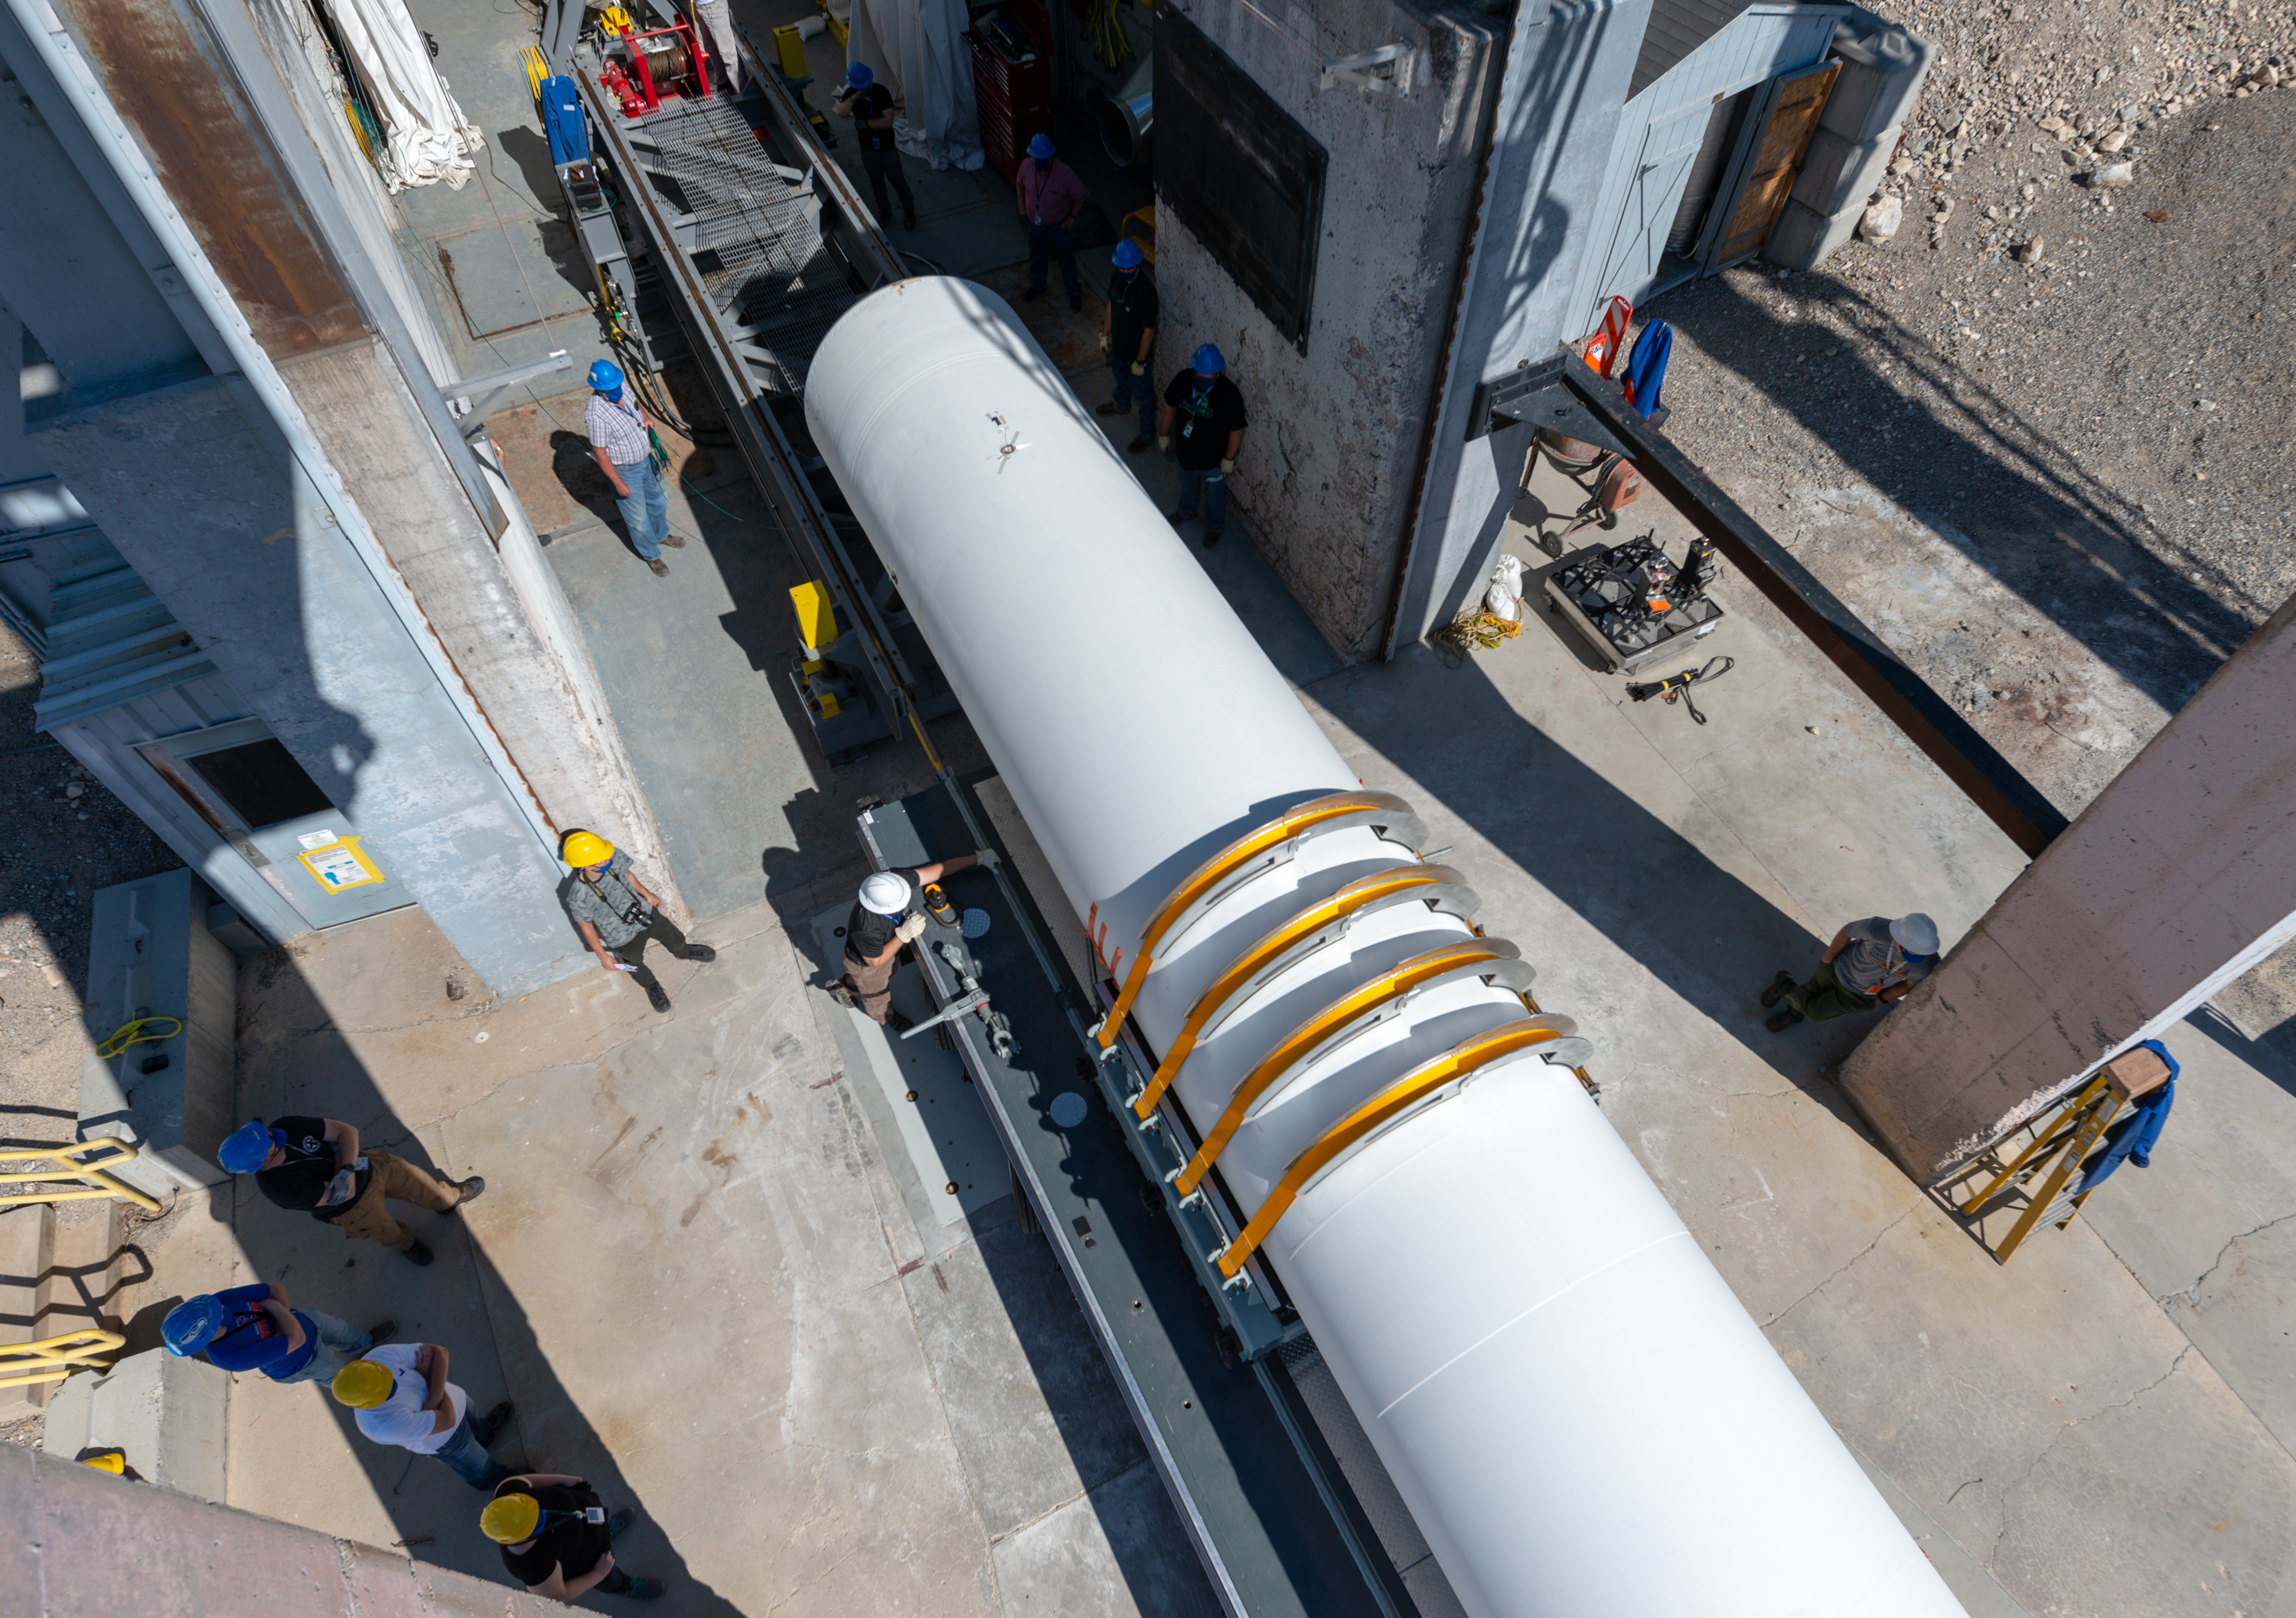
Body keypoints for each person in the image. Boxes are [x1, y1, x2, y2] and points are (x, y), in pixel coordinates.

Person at [217, 1115, 482, 1268]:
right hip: (353, 1210)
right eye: (269, 1142)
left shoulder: (285, 1126)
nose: (274, 1135)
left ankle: (448, 1199)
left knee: (420, 1183)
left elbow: (346, 1131)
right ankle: (409, 1245)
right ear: (261, 1161)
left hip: (372, 1165)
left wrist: (345, 1167)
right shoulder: (278, 1188)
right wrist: (341, 1153)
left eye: (267, 1133)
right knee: (386, 1231)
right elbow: (341, 1194)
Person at [834, 850, 998, 1029]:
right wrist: (903, 936)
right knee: (877, 996)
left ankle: (843, 987)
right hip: (866, 966)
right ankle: (886, 1018)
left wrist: (978, 858)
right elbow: (876, 962)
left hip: (879, 953)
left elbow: (937, 870)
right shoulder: (867, 928)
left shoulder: (891, 884)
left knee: (882, 974)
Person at [559, 829, 713, 1016]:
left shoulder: (612, 855)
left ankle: (683, 951)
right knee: (633, 964)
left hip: (644, 913)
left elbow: (627, 874)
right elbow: (587, 928)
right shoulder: (579, 896)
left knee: (673, 935)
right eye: (603, 859)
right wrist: (603, 956)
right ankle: (651, 985)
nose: (609, 858)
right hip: (620, 935)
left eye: (607, 854)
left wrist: (646, 893)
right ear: (587, 866)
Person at [333, 1342, 517, 1490]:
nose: (393, 1385)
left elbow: (440, 1352)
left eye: (386, 1378)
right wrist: (430, 1379)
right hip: (446, 1439)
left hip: (456, 1399)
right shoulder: (382, 1426)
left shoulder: (377, 1357)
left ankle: (485, 1436)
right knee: (477, 1465)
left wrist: (432, 1401)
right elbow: (447, 1421)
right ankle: (499, 1481)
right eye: (385, 1393)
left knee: (476, 1423)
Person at [162, 1284, 393, 1388]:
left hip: (309, 1321)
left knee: (344, 1332)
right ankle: (367, 1394)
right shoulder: (229, 1357)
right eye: (217, 1319)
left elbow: (276, 1289)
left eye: (215, 1308)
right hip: (304, 1362)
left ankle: (365, 1343)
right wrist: (274, 1307)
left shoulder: (218, 1301)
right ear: (206, 1338)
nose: (222, 1309)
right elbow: (297, 1341)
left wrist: (284, 1325)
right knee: (340, 1377)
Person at [483, 1475, 667, 1602]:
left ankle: (607, 1534)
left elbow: (526, 1481)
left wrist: (563, 1479)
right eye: (534, 1522)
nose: (541, 1514)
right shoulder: (530, 1564)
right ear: (515, 1538)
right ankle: (627, 1587)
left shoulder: (508, 1494)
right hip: (589, 1563)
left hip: (590, 1522)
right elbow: (557, 1595)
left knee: (600, 1532)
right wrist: (598, 1574)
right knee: (610, 1577)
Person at [1760, 912, 1940, 1032]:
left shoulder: (1927, 965)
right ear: (1898, 938)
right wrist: (1828, 958)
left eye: (1921, 952)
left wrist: (1881, 1000)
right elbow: (1848, 931)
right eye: (1911, 949)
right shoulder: (1876, 928)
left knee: (1816, 1013)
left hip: (1860, 995)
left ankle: (1783, 984)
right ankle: (1794, 1014)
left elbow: (1908, 985)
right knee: (1810, 991)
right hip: (1836, 969)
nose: (1916, 955)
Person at [584, 360, 678, 577]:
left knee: (659, 499)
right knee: (638, 517)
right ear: (599, 389)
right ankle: (651, 555)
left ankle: (661, 535)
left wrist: (646, 418)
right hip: (625, 471)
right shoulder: (596, 415)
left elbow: (635, 401)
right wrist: (618, 483)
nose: (616, 391)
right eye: (609, 390)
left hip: (646, 460)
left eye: (617, 386)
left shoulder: (622, 387)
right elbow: (600, 453)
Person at [1159, 344, 1248, 548]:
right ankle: (1187, 511)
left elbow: (1237, 429)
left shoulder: (1229, 394)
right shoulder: (1183, 380)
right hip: (1185, 455)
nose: (1203, 377)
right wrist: (1163, 434)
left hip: (1213, 463)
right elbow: (1169, 406)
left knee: (1215, 496)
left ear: (1218, 371)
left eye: (1209, 375)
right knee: (1187, 486)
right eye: (1200, 373)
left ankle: (1215, 526)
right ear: (1194, 367)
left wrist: (1229, 458)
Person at [832, 64, 915, 230]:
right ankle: (885, 212)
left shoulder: (882, 92)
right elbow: (841, 112)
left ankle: (909, 211)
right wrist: (853, 99)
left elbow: (888, 121)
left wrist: (867, 124)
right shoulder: (851, 95)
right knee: (877, 184)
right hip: (868, 150)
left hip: (888, 149)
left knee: (898, 181)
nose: (866, 89)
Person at [1097, 238, 1158, 453]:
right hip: (1120, 348)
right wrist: (1105, 335)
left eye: (1129, 268)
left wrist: (1140, 361)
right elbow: (1111, 306)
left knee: (1143, 395)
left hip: (1136, 354)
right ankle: (1121, 404)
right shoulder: (1117, 277)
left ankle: (1147, 434)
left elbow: (1149, 331)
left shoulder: (1147, 292)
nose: (1124, 271)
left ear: (1137, 264)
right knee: (1120, 377)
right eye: (1121, 267)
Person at [1015, 133, 1087, 312]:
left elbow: (1082, 194)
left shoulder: (1064, 173)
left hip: (1058, 227)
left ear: (1051, 156)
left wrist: (1072, 218)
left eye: (1044, 159)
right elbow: (1019, 183)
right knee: (1037, 255)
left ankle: (1074, 291)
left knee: (1066, 259)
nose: (1041, 163)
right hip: (1034, 224)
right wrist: (1022, 206)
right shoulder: (1026, 166)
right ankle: (1037, 285)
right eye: (1038, 159)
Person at [691, 0, 742, 96]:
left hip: (713, 6)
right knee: (710, 48)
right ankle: (724, 82)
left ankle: (740, 90)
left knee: (727, 53)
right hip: (697, 6)